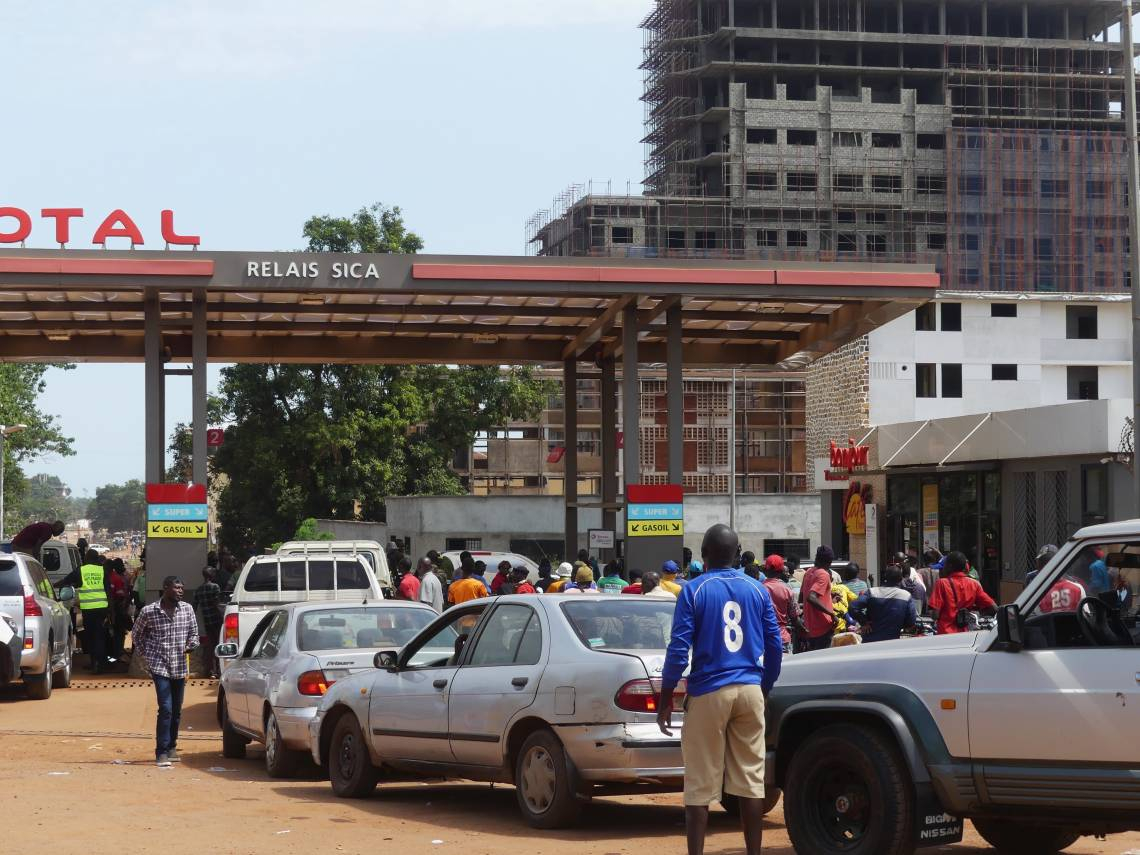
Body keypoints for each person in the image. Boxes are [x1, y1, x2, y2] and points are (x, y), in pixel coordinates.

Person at [658, 524, 783, 855]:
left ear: (704, 555)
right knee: (751, 782)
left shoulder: (694, 590)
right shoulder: (757, 589)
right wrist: (764, 686)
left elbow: (678, 649)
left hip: (709, 691)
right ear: (738, 553)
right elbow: (775, 644)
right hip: (750, 688)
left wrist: (666, 696)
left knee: (699, 785)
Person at [132, 576, 200, 766]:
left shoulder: (187, 609)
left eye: (182, 588)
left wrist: (191, 644)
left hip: (179, 665)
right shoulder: (149, 611)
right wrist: (147, 654)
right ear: (165, 588)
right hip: (159, 665)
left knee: (176, 710)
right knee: (166, 708)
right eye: (176, 587)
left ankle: (171, 746)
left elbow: (194, 634)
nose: (180, 591)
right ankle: (161, 751)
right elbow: (137, 634)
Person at [929, 551, 997, 634]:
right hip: (965, 634)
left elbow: (935, 615)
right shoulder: (974, 584)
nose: (941, 570)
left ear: (950, 566)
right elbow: (994, 608)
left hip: (945, 634)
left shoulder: (941, 583)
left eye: (944, 566)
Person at [847, 565, 918, 642]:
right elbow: (911, 621)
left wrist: (863, 622)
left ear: (885, 577)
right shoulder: (906, 596)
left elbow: (853, 607)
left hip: (870, 641)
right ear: (901, 579)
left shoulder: (872, 592)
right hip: (891, 641)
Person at [72, 549, 112, 672]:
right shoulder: (102, 570)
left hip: (88, 610)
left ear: (87, 558)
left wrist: (53, 586)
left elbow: (67, 580)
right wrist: (110, 610)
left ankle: (94, 663)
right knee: (100, 636)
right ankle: (99, 664)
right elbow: (108, 590)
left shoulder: (81, 570)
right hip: (102, 609)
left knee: (90, 636)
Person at [799, 546, 837, 651]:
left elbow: (802, 597)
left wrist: (829, 596)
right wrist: (831, 614)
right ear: (829, 561)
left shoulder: (808, 572)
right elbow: (811, 597)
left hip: (810, 627)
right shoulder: (824, 575)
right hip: (823, 627)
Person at [761, 555, 796, 654]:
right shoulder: (787, 590)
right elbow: (794, 616)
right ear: (781, 571)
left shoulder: (758, 589)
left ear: (765, 571)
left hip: (763, 639)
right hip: (782, 638)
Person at [193, 568, 224, 678]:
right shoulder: (215, 587)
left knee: (211, 645)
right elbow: (217, 604)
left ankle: (210, 670)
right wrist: (223, 616)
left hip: (207, 622)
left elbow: (194, 606)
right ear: (212, 575)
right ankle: (219, 670)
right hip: (217, 620)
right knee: (219, 644)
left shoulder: (199, 589)